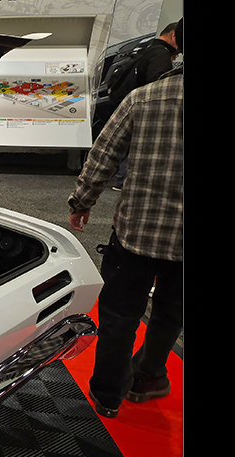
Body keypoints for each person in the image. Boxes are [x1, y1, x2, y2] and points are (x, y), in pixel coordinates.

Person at [67, 19, 183, 419]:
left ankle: (108, 396)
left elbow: (104, 155)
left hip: (137, 232)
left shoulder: (145, 98)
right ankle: (149, 375)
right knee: (172, 311)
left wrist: (81, 202)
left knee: (119, 314)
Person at [110, 22, 180, 190]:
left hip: (127, 103)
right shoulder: (160, 55)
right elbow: (157, 85)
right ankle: (124, 180)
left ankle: (121, 179)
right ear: (173, 35)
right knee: (138, 143)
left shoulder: (149, 48)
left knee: (127, 142)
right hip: (144, 108)